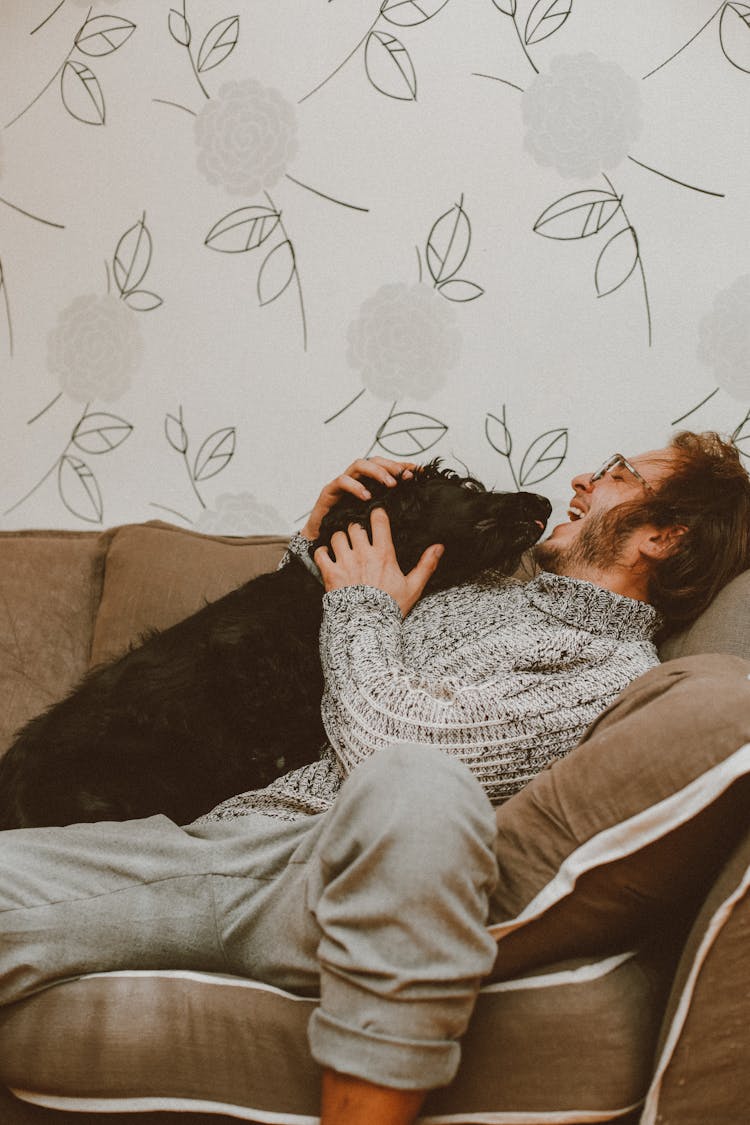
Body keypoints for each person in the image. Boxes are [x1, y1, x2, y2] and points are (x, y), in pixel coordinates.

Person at [1, 430, 750, 1125]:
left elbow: (391, 741)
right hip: (215, 841)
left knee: (421, 783)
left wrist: (359, 602)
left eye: (620, 475)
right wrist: (323, 547)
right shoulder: (490, 584)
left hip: (325, 869)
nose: (585, 477)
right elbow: (286, 670)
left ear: (664, 534)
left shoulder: (607, 669)